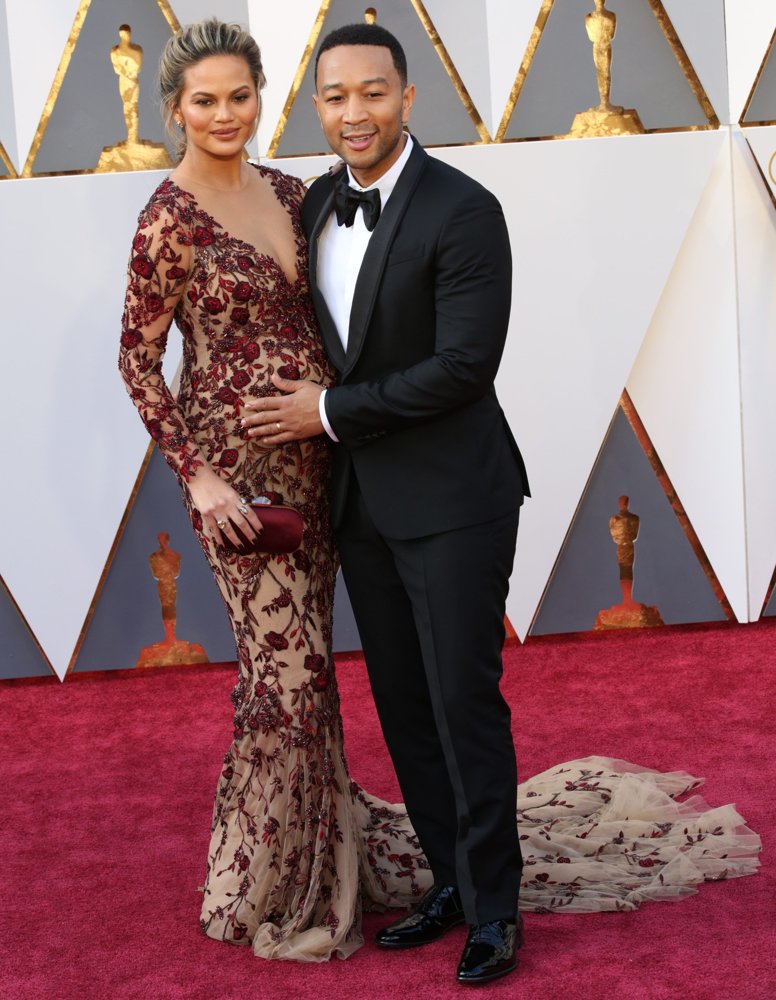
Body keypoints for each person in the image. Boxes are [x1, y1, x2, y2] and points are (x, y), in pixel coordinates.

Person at [119, 18, 430, 962]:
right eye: (204, 101)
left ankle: (310, 860)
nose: (224, 115)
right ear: (174, 109)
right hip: (238, 483)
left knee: (308, 680)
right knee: (285, 682)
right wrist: (200, 479)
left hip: (318, 465)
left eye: (239, 97)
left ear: (262, 99)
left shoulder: (299, 194)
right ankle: (266, 885)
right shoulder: (167, 218)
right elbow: (137, 361)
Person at [243, 21, 529, 984]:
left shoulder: (464, 210)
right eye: (334, 97)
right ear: (316, 106)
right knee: (404, 708)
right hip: (362, 503)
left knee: (461, 703)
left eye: (372, 93)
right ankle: (451, 880)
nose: (353, 112)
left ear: (408, 98)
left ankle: (497, 911)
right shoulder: (316, 202)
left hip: (455, 497)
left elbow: (463, 367)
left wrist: (324, 411)